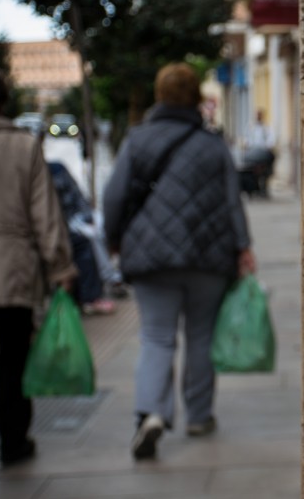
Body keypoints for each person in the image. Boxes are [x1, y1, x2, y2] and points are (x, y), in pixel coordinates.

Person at [103, 62, 255, 460]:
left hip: (152, 256)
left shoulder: (137, 140)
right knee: (200, 337)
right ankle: (199, 416)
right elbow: (231, 201)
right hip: (209, 256)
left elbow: (114, 197)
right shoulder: (212, 144)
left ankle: (151, 414)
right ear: (194, 99)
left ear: (159, 95)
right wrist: (243, 246)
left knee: (156, 336)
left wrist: (114, 240)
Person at [0, 68, 78, 466]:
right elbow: (44, 214)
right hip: (13, 269)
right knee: (12, 357)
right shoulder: (23, 146)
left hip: (13, 262)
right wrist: (60, 267)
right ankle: (13, 440)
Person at [48, 161, 121, 315]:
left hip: (67, 223)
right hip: (49, 229)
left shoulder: (56, 168)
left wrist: (87, 217)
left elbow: (77, 198)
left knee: (91, 235)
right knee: (83, 243)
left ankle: (101, 287)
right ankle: (93, 294)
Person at [238, 108, 276, 197]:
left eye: (259, 115)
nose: (258, 116)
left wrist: (266, 148)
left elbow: (271, 140)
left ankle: (264, 184)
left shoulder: (266, 127)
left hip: (263, 154)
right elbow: (246, 139)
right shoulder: (250, 127)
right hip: (252, 154)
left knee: (268, 166)